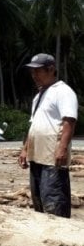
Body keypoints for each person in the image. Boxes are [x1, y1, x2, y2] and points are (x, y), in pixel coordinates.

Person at [18, 53, 78, 218]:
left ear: (51, 70)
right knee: (39, 202)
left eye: (38, 71)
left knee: (54, 202)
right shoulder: (39, 96)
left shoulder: (63, 92)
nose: (34, 75)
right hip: (36, 157)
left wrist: (62, 148)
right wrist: (25, 149)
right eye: (32, 72)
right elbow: (33, 125)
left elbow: (69, 121)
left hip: (53, 159)